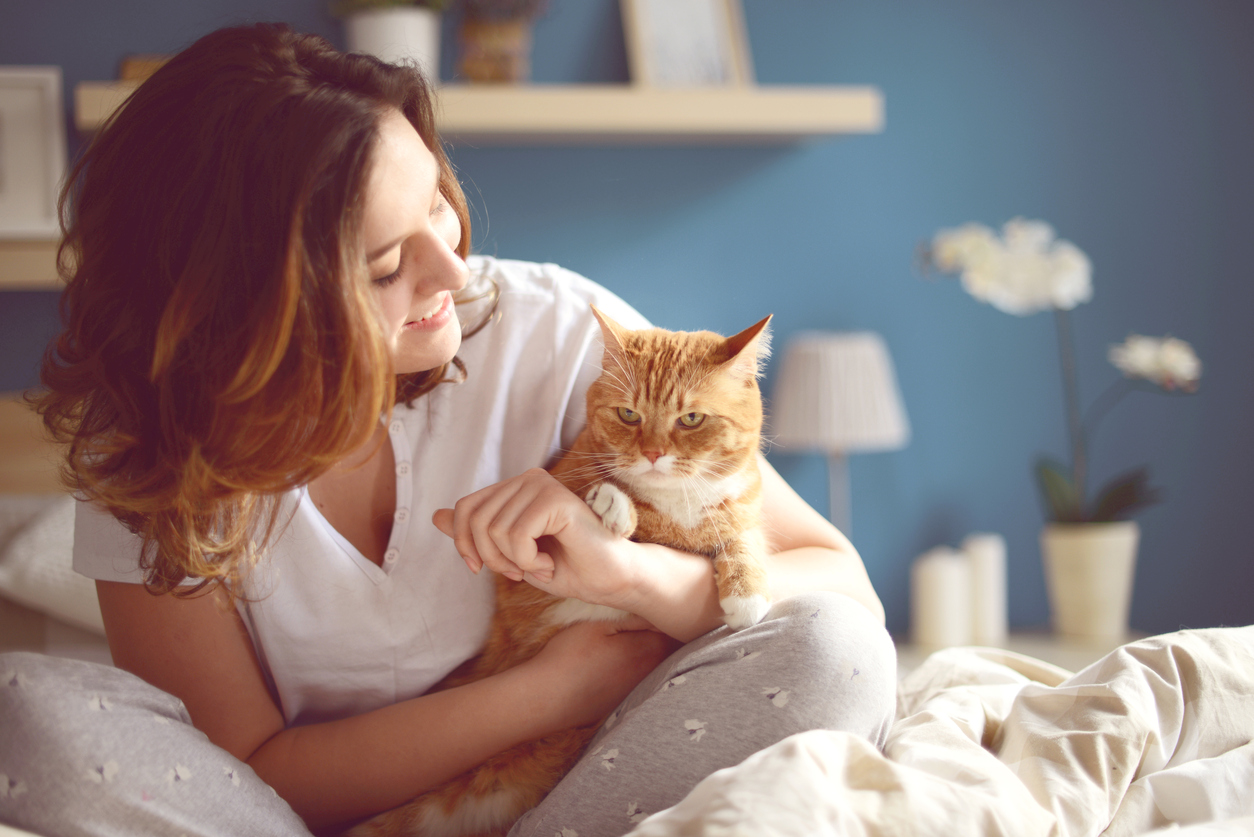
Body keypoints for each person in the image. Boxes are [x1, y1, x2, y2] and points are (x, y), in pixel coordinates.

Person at [0, 23, 896, 837]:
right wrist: (551, 689)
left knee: (837, 652)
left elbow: (839, 584)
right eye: (387, 264)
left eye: (436, 202)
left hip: (577, 785)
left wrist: (629, 576)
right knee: (25, 714)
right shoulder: (150, 448)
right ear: (253, 312)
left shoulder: (559, 330)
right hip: (285, 815)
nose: (453, 267)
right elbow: (253, 770)